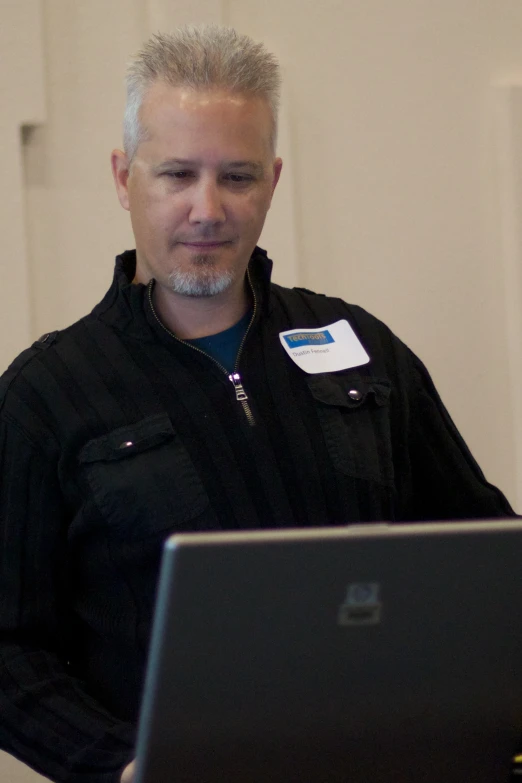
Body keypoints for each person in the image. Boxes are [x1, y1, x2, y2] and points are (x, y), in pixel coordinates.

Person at [0, 23, 514, 783]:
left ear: (273, 181)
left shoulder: (362, 348)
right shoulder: (47, 394)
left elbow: (485, 559)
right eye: (176, 174)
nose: (208, 209)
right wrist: (122, 763)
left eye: (236, 177)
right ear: (122, 177)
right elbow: (8, 649)